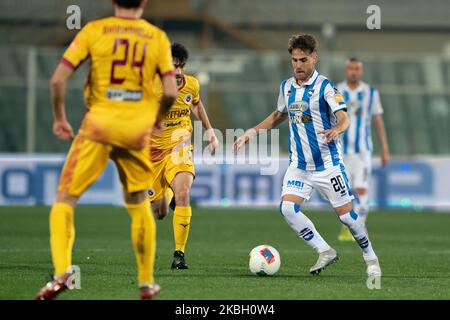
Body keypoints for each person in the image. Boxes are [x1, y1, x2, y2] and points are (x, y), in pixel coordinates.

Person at [35, 0, 177, 300]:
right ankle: (146, 282)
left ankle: (63, 272)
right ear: (144, 3)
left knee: (65, 199)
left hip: (98, 126)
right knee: (139, 204)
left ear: (113, 1)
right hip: (136, 130)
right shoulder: (156, 37)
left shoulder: (94, 30)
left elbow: (57, 79)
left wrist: (60, 118)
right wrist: (158, 120)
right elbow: (170, 91)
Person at [233, 34, 381, 277]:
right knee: (288, 208)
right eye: (294, 60)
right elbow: (278, 115)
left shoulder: (326, 87)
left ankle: (370, 256)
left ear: (314, 58)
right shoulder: (287, 87)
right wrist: (250, 133)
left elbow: (344, 117)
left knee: (348, 219)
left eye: (303, 60)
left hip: (328, 165)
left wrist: (337, 129)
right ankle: (325, 251)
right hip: (299, 165)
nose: (298, 65)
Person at [149, 43, 218, 269]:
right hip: (153, 153)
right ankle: (168, 195)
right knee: (159, 212)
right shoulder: (151, 87)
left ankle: (179, 254)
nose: (178, 71)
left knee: (184, 193)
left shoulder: (192, 85)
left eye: (181, 66)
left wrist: (210, 131)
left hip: (180, 147)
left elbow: (197, 106)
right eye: (173, 66)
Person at [336, 58, 390, 241]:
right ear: (346, 70)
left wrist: (384, 149)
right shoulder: (336, 91)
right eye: (351, 68)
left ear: (362, 71)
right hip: (339, 151)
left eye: (357, 68)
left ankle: (358, 228)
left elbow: (378, 121)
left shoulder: (370, 93)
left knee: (362, 189)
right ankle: (347, 226)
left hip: (362, 151)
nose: (354, 72)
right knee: (343, 191)